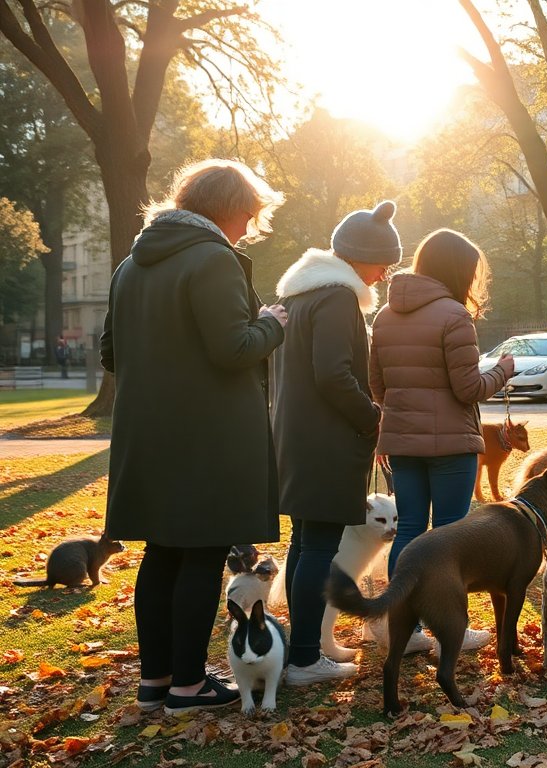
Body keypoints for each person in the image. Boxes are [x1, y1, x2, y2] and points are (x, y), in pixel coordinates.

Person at [100, 159, 287, 715]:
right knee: (203, 554)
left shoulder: (130, 265)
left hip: (146, 433)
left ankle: (155, 682)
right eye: (249, 217)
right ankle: (188, 687)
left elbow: (111, 353)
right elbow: (233, 349)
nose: (249, 229)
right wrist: (272, 323)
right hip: (207, 436)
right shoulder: (213, 259)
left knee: (160, 554)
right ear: (230, 209)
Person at [272, 200, 400, 685]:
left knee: (306, 545)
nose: (385, 274)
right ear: (359, 255)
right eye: (382, 262)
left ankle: (302, 651)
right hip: (325, 444)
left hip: (298, 439)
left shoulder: (302, 296)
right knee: (318, 549)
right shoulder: (337, 298)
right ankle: (306, 658)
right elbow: (333, 374)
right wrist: (372, 416)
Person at [370, 229, 514, 652]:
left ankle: (404, 630)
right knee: (451, 535)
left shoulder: (384, 315)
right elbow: (469, 388)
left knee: (409, 530)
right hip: (451, 444)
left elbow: (377, 385)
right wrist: (503, 370)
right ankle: (451, 629)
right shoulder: (454, 315)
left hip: (403, 442)